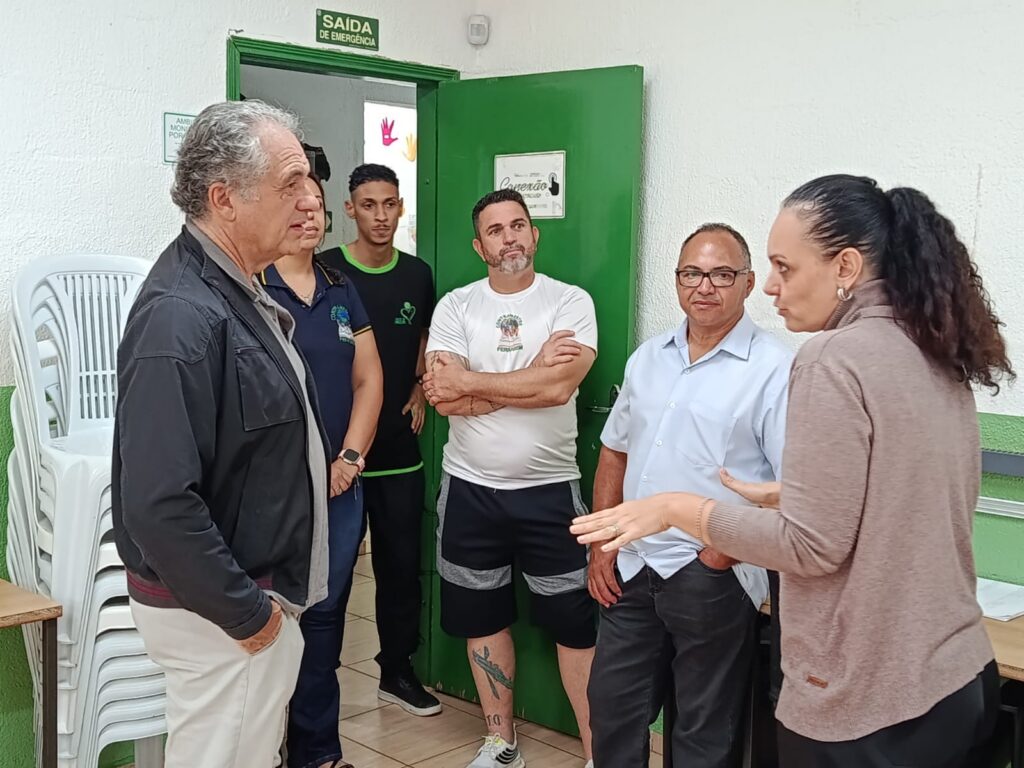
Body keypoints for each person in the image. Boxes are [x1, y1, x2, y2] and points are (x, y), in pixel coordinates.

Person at [572, 174, 1013, 768]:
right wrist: (788, 494)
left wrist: (682, 511)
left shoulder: (830, 359)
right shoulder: (933, 345)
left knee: (704, 727)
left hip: (875, 698)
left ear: (845, 266)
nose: (772, 288)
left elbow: (812, 545)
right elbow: (901, 488)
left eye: (784, 267)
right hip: (953, 674)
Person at [113, 101, 329, 768]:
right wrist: (249, 617)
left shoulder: (238, 289)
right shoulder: (181, 315)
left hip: (243, 604)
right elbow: (158, 502)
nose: (309, 198)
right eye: (289, 183)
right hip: (223, 617)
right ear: (224, 199)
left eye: (307, 179)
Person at [587, 224, 792, 768]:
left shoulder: (775, 368)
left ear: (748, 282)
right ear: (677, 280)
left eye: (721, 274)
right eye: (691, 274)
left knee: (702, 734)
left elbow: (790, 485)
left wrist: (720, 555)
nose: (705, 286)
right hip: (632, 567)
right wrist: (603, 544)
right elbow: (614, 452)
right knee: (612, 711)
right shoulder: (648, 357)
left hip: (711, 576)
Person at [422, 188, 598, 768]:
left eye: (518, 225)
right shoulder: (455, 307)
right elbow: (443, 397)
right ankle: (502, 743)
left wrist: (477, 382)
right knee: (483, 617)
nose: (509, 238)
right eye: (495, 231)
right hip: (470, 491)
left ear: (534, 234)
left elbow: (559, 387)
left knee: (576, 626)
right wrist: (532, 372)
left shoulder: (569, 302)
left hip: (551, 494)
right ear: (480, 247)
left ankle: (601, 753)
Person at [260, 172, 384, 768]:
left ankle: (317, 752)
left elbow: (369, 378)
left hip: (338, 485)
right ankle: (262, 750)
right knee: (269, 616)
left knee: (326, 616)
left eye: (317, 206)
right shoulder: (250, 285)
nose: (309, 214)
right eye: (296, 203)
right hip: (274, 490)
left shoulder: (341, 288)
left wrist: (350, 458)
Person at [321, 163, 440, 716]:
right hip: (338, 456)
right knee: (332, 575)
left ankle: (397, 670)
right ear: (350, 209)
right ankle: (316, 682)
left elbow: (423, 339)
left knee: (400, 571)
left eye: (390, 204)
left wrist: (419, 386)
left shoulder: (417, 274)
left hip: (397, 451)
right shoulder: (325, 270)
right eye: (368, 205)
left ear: (400, 207)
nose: (381, 216)